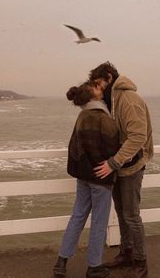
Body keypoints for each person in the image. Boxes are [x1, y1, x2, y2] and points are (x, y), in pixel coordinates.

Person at [89, 62, 153, 278]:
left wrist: (113, 163)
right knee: (121, 213)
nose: (97, 88)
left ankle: (141, 263)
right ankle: (126, 254)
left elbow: (138, 136)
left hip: (131, 166)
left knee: (132, 215)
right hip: (120, 164)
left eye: (99, 83)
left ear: (109, 77)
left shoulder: (128, 99)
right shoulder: (113, 100)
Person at [53, 81, 119, 278]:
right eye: (98, 88)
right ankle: (94, 266)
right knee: (99, 221)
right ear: (93, 96)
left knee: (78, 216)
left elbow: (73, 147)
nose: (102, 89)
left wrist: (82, 170)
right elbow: (114, 148)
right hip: (100, 177)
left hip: (83, 177)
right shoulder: (102, 117)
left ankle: (61, 263)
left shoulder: (82, 115)